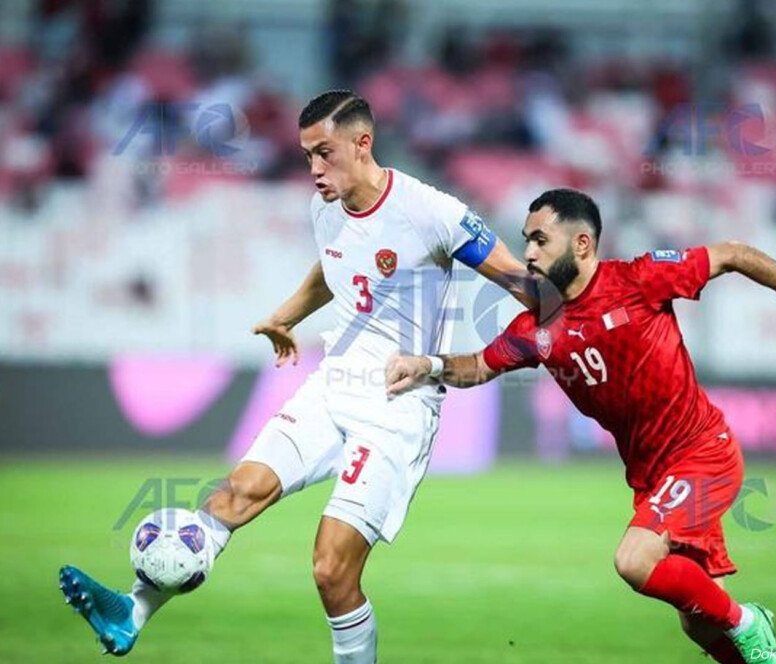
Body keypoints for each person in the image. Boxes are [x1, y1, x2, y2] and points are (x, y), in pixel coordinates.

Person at [59, 90, 531, 661]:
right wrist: (287, 315)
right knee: (234, 494)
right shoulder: (325, 208)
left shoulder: (433, 212)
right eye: (307, 155)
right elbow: (334, 266)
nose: (314, 169)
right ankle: (130, 612)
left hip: (396, 406)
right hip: (332, 385)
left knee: (331, 569)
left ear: (363, 144)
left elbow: (521, 283)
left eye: (324, 153)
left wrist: (566, 320)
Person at [385, 188, 776, 664]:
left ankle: (750, 621)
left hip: (702, 454)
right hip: (653, 479)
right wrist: (427, 365)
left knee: (635, 561)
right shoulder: (538, 328)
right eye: (526, 240)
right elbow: (478, 366)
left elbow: (732, 253)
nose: (528, 253)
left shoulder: (639, 280)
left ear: (582, 244)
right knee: (700, 624)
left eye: (540, 240)